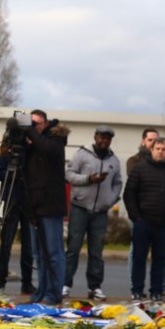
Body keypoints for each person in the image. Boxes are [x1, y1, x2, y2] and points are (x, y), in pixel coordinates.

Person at [123, 137, 165, 301]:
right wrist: (135, 217)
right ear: (151, 150)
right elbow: (129, 194)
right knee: (139, 258)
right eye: (157, 148)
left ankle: (156, 292)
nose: (160, 151)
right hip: (143, 221)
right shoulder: (140, 169)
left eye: (164, 149)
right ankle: (137, 290)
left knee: (160, 260)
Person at [64, 125, 122, 301]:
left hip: (100, 212)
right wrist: (89, 179)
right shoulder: (82, 154)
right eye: (101, 137)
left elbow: (117, 183)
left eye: (107, 138)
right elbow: (69, 174)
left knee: (96, 251)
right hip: (79, 207)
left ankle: (95, 287)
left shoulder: (114, 160)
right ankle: (65, 284)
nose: (104, 141)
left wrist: (110, 200)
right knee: (73, 248)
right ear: (95, 137)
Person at [23, 109, 69, 305]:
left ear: (46, 123)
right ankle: (41, 290)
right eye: (31, 123)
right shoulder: (32, 144)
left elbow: (48, 148)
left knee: (53, 252)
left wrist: (29, 130)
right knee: (39, 254)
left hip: (51, 205)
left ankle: (54, 292)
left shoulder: (55, 139)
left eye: (37, 123)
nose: (34, 127)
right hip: (34, 206)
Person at [0, 122, 35, 296]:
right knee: (6, 245)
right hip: (11, 200)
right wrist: (12, 174)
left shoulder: (29, 151)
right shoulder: (6, 152)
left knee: (28, 246)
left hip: (27, 202)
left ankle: (27, 283)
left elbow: (33, 173)